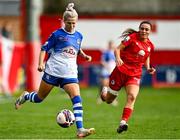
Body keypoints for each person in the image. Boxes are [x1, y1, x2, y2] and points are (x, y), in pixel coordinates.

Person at [15, 3, 95, 138]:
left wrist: (84, 55)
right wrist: (40, 64)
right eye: (69, 23)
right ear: (63, 22)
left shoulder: (79, 36)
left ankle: (80, 129)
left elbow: (77, 48)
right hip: (53, 71)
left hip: (69, 73)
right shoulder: (57, 35)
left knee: (77, 98)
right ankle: (26, 96)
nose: (72, 26)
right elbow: (43, 48)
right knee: (39, 98)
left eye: (74, 23)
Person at [100, 21, 156, 133]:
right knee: (109, 101)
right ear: (139, 29)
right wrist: (118, 58)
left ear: (150, 31)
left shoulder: (150, 46)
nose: (144, 31)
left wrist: (149, 67)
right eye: (142, 28)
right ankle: (104, 94)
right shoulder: (131, 38)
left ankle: (123, 122)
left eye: (146, 29)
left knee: (132, 97)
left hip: (134, 74)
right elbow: (117, 49)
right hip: (120, 72)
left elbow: (146, 57)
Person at [97, 40, 118, 106]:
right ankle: (101, 97)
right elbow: (102, 61)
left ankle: (113, 99)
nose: (112, 45)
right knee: (104, 84)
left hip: (113, 71)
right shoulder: (106, 52)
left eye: (112, 44)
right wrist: (106, 66)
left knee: (112, 86)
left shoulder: (116, 52)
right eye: (110, 44)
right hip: (106, 70)